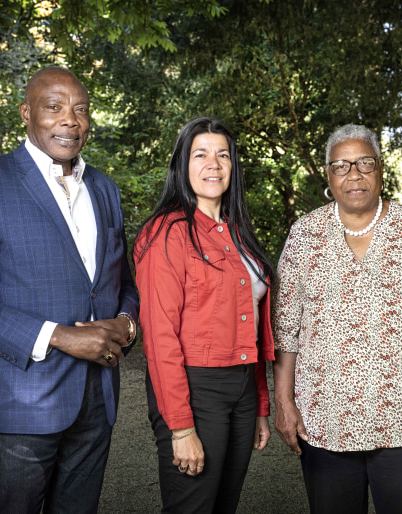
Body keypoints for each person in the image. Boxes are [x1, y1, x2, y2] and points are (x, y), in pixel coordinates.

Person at [0, 66, 139, 513]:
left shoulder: (104, 188)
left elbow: (122, 282)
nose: (70, 120)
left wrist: (126, 323)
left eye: (81, 110)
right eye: (54, 107)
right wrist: (59, 335)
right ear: (27, 113)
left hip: (96, 399)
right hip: (20, 401)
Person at [272, 124, 402, 514]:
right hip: (324, 421)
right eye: (341, 166)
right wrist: (284, 400)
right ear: (328, 175)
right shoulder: (305, 235)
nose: (353, 174)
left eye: (364, 163)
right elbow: (287, 329)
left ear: (380, 169)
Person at [133, 117, 275, 513]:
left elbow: (254, 329)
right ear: (183, 164)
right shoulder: (166, 233)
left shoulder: (237, 232)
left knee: (223, 506)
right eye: (201, 154)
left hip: (242, 390)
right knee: (191, 507)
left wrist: (260, 405)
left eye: (222, 155)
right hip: (197, 390)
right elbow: (159, 337)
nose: (213, 164)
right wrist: (180, 426)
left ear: (233, 167)